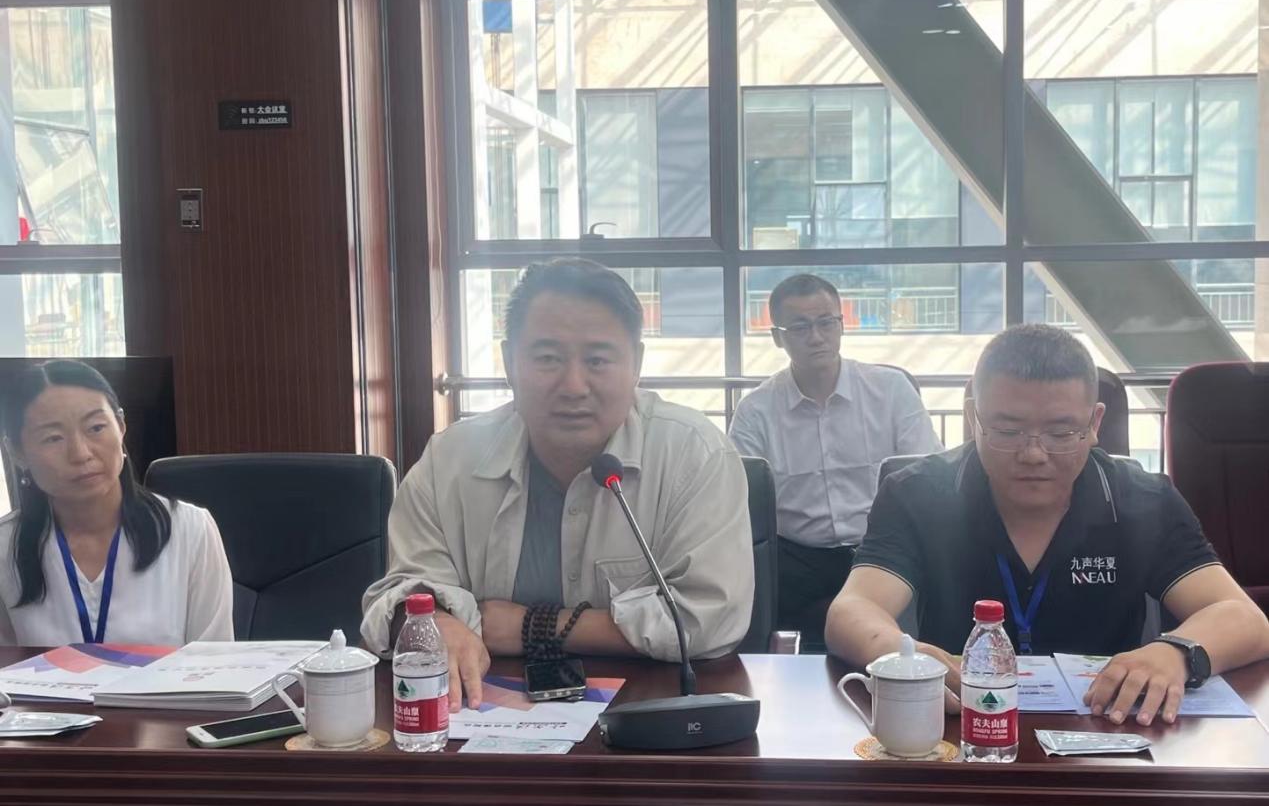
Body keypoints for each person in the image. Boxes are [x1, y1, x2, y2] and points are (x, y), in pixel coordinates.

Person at [826, 324, 1269, 726]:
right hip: (957, 726)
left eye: (1061, 433)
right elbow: (852, 610)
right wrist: (899, 653)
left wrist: (1176, 653)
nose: (1033, 454)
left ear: (1094, 423)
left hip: (1107, 728)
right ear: (973, 417)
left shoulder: (1143, 500)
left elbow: (1245, 618)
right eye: (1008, 430)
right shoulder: (917, 493)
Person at [361, 258, 754, 711]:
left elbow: (711, 619)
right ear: (509, 363)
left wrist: (532, 627)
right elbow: (397, 593)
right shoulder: (450, 459)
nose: (573, 386)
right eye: (548, 358)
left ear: (637, 365)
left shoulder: (694, 454)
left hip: (650, 715)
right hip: (479, 716)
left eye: (597, 360)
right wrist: (435, 623)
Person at [729, 273, 941, 649]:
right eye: (800, 327)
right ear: (777, 337)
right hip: (796, 559)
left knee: (899, 647)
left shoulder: (891, 390)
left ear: (842, 325)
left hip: (881, 549)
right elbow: (741, 500)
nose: (816, 337)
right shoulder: (756, 410)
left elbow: (926, 476)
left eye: (826, 322)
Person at [0, 360, 234, 646]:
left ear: (121, 426)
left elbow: (215, 661)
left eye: (96, 427)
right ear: (17, 453)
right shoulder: (5, 546)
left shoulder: (190, 530)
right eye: (53, 438)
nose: (81, 453)